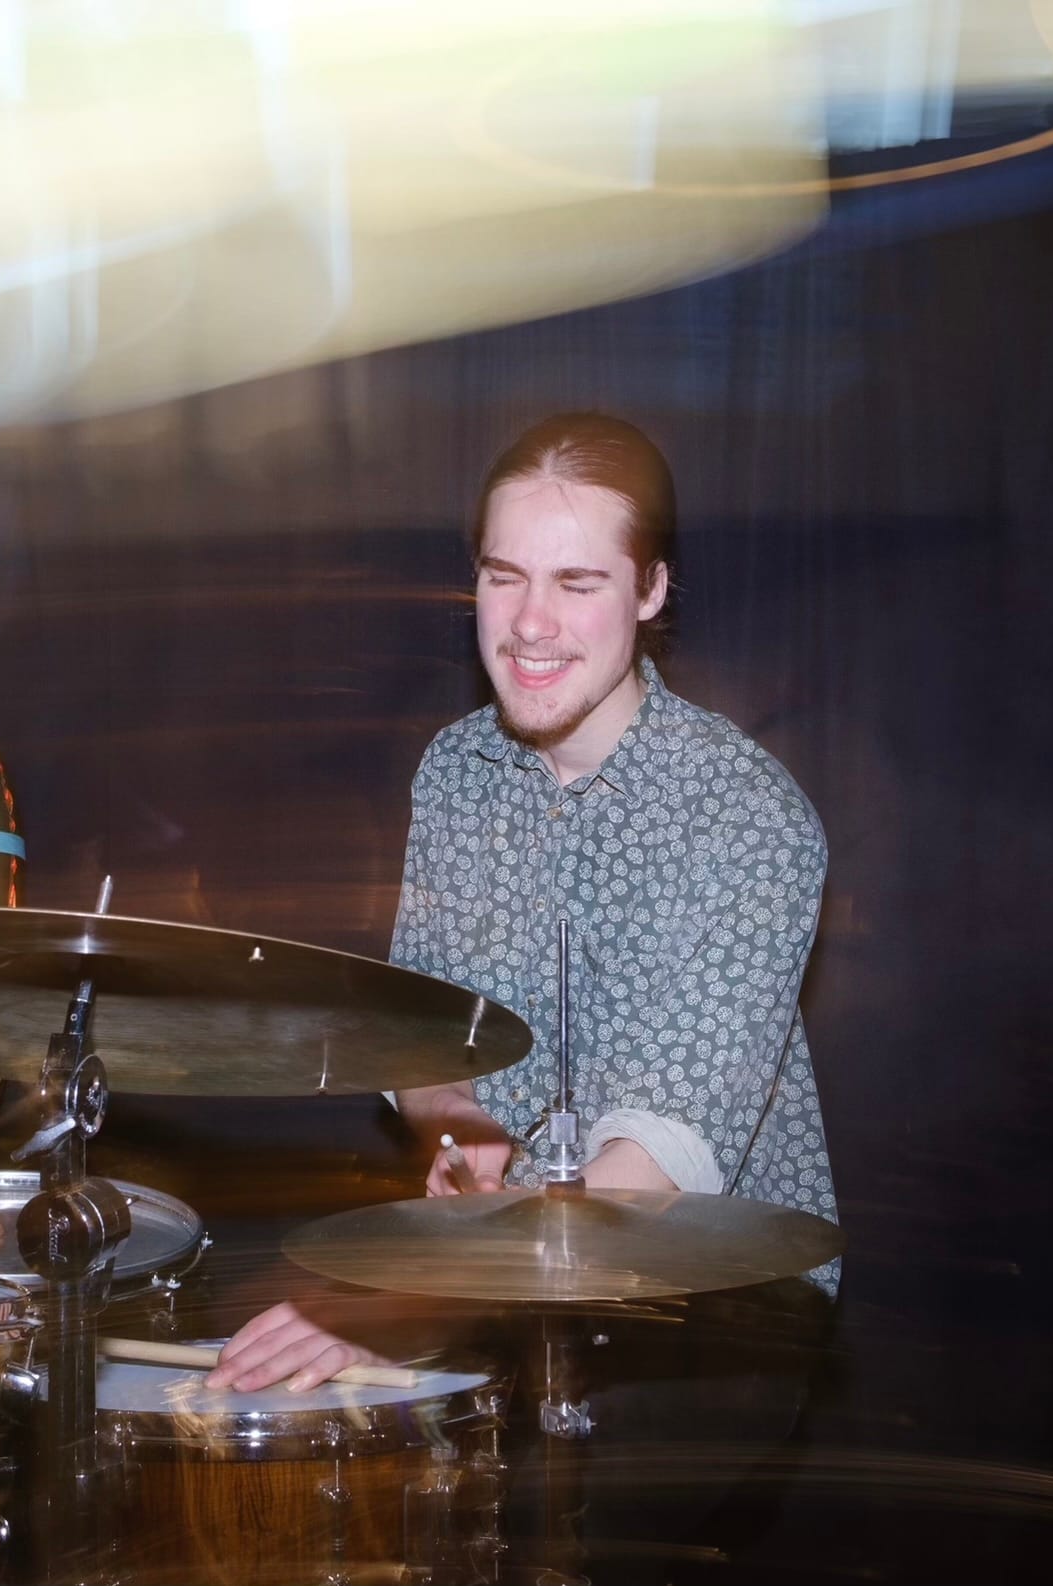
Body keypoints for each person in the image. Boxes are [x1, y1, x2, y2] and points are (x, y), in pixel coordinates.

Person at [210, 411, 838, 1394]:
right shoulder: (458, 770)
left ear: (650, 590)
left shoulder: (744, 810)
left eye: (576, 583)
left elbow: (659, 1155)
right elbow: (421, 1030)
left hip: (709, 1321)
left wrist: (402, 1300)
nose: (530, 624)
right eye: (505, 577)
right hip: (496, 1270)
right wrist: (457, 1121)